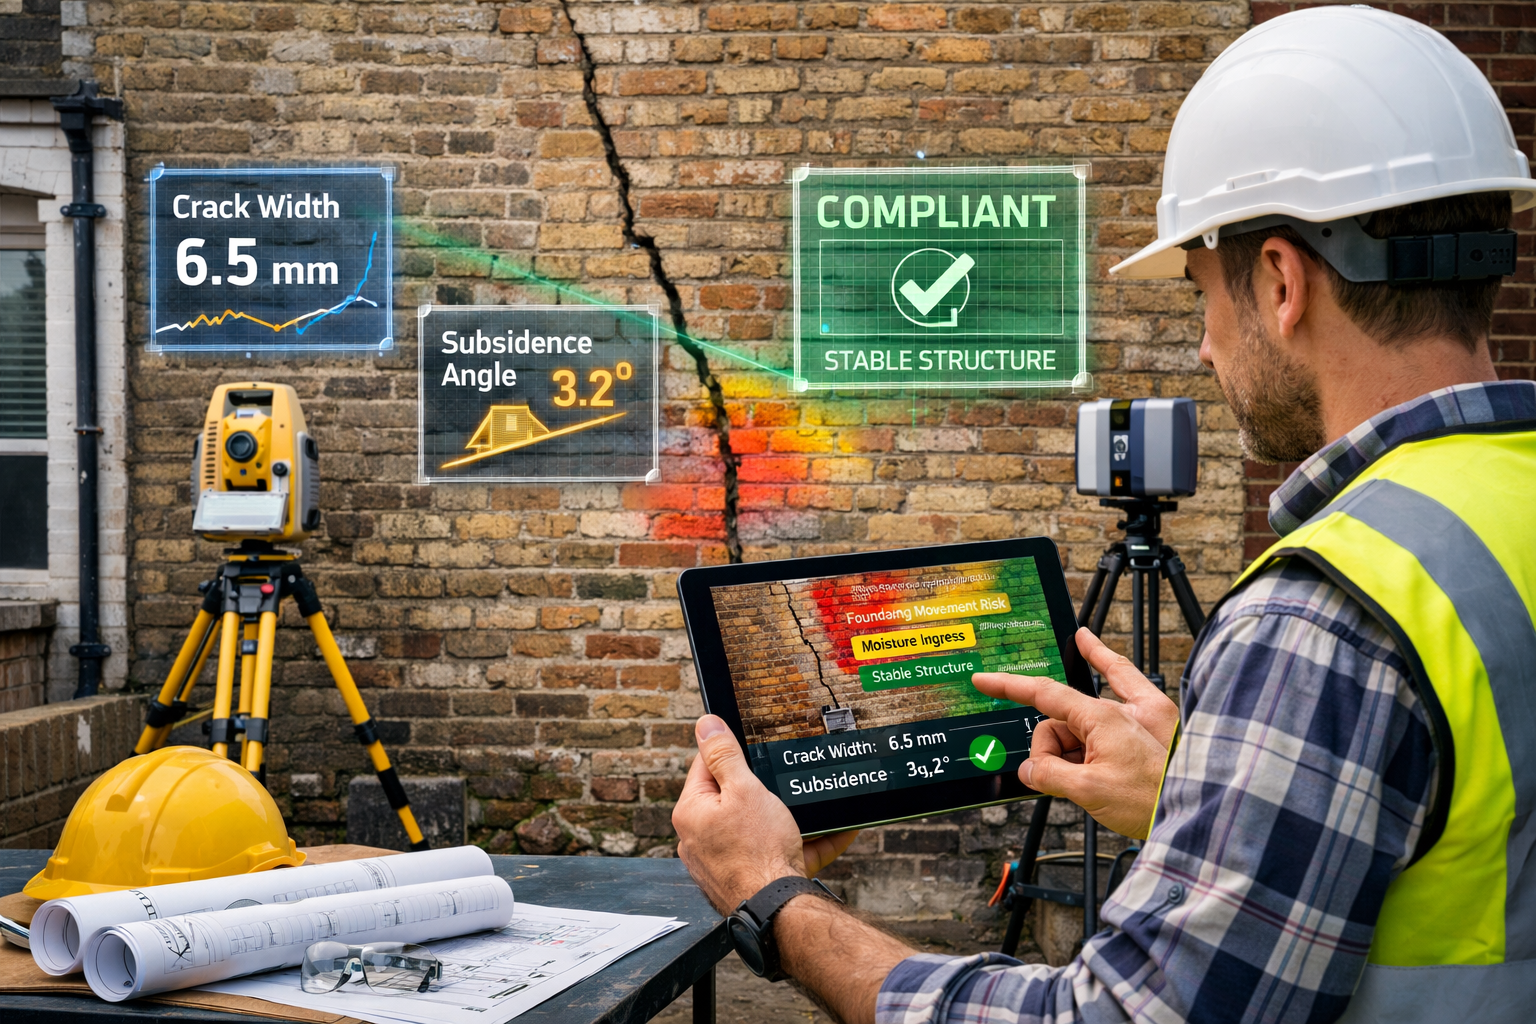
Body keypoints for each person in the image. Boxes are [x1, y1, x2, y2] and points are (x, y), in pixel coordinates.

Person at [672, 7, 1536, 1023]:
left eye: (1202, 293)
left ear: (1280, 281)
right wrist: (1203, 799)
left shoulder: (1328, 615)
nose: (1206, 347)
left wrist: (773, 899)